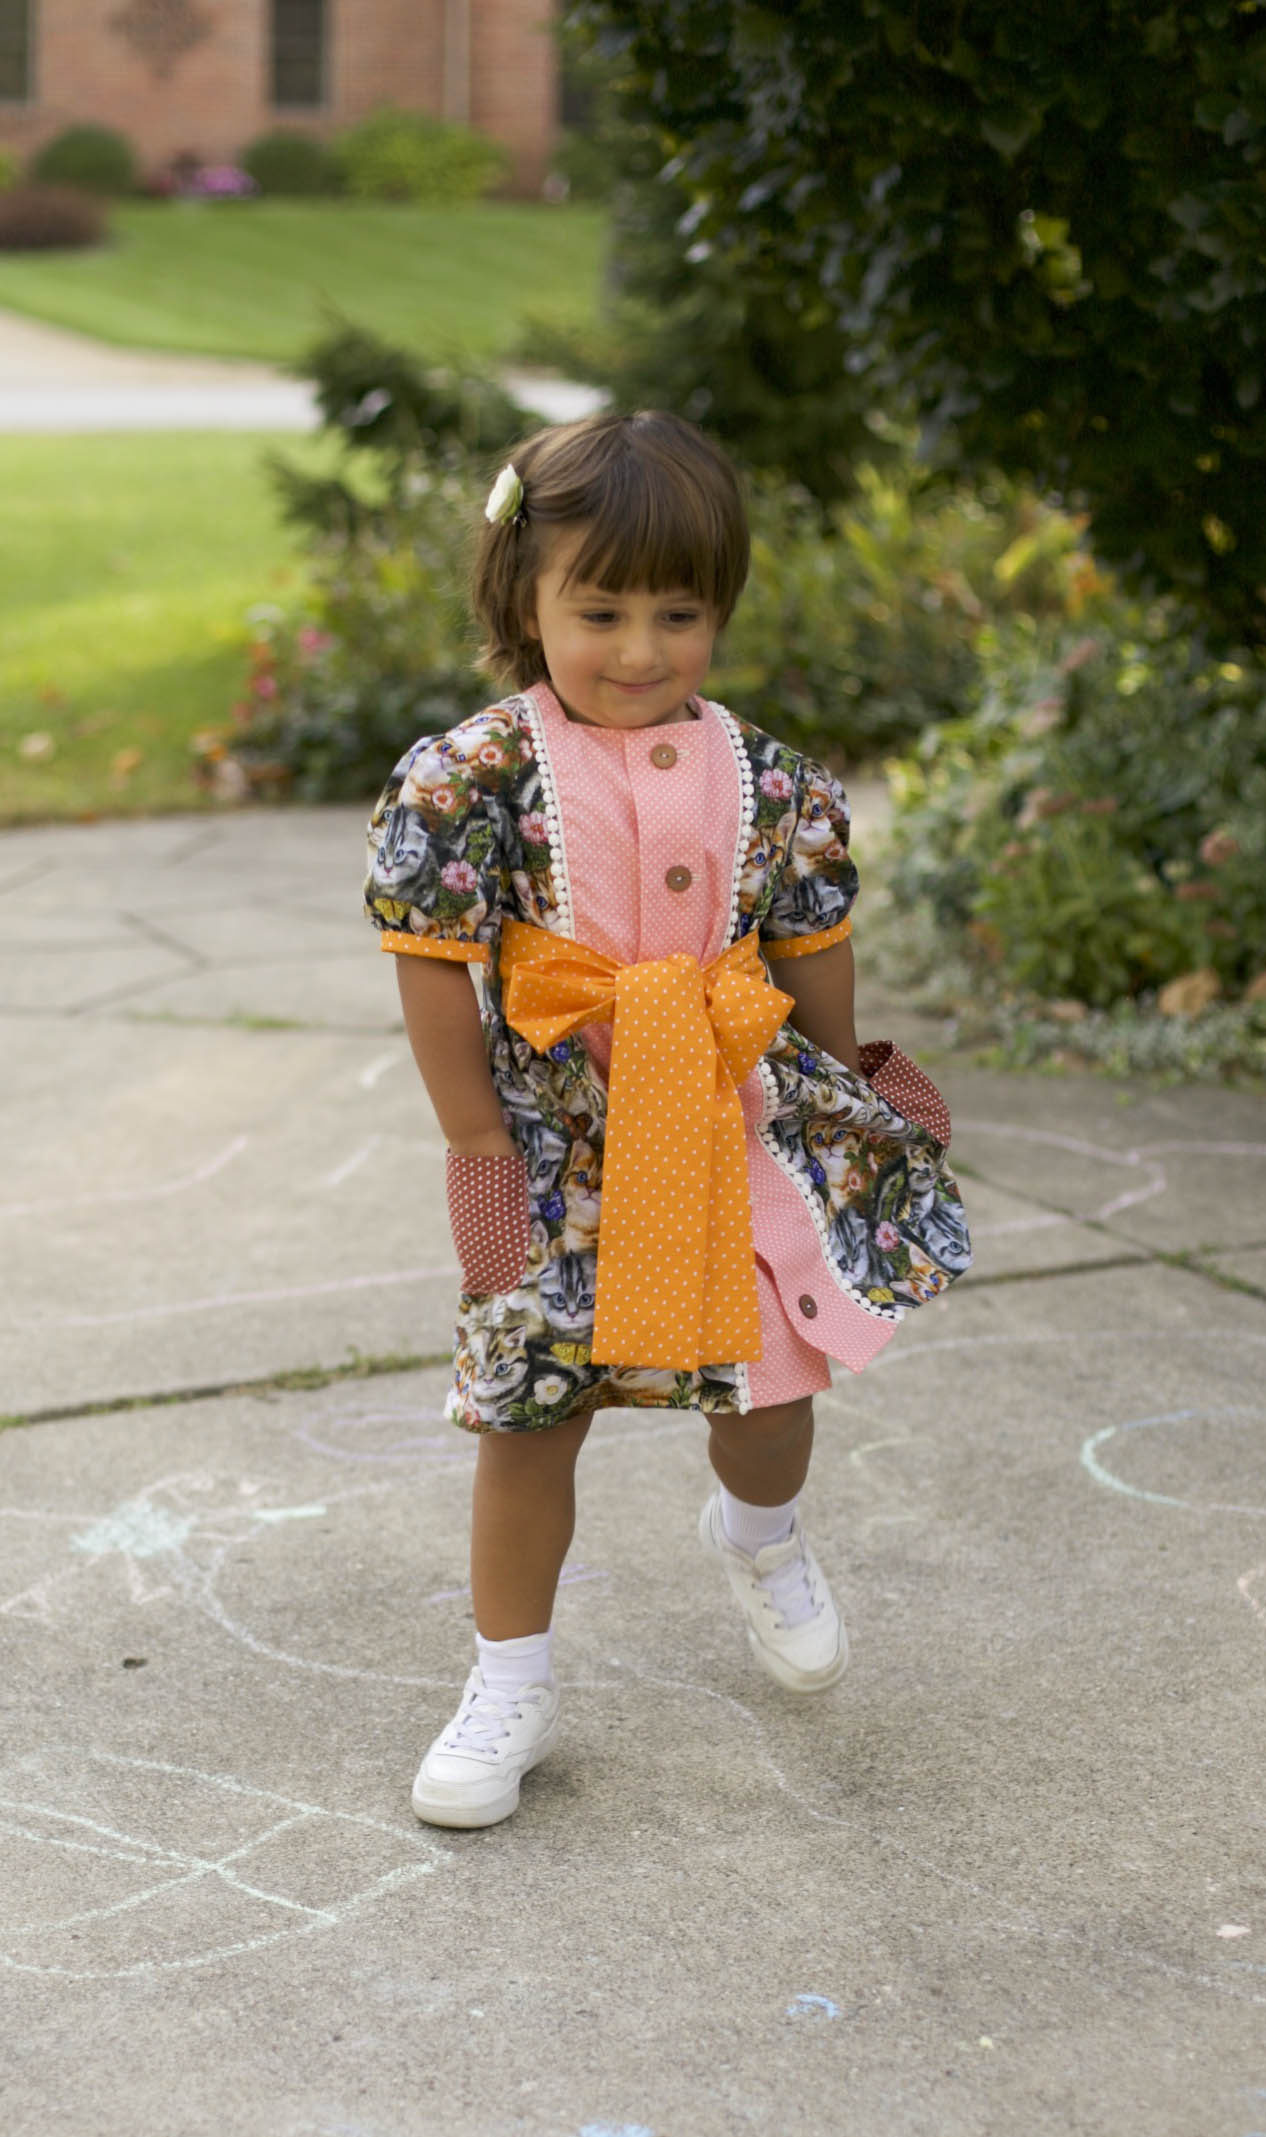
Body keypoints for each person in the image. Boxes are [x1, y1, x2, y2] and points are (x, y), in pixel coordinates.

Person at [363, 410, 970, 1829]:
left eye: (679, 614)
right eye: (600, 612)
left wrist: (842, 1098)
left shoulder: (774, 783)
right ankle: (509, 1679)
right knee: (529, 1413)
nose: (640, 649)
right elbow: (434, 962)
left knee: (772, 1390)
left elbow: (812, 943)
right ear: (523, 596)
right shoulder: (471, 778)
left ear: (720, 610)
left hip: (725, 1120)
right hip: (553, 1148)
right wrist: (475, 1142)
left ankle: (759, 1533)